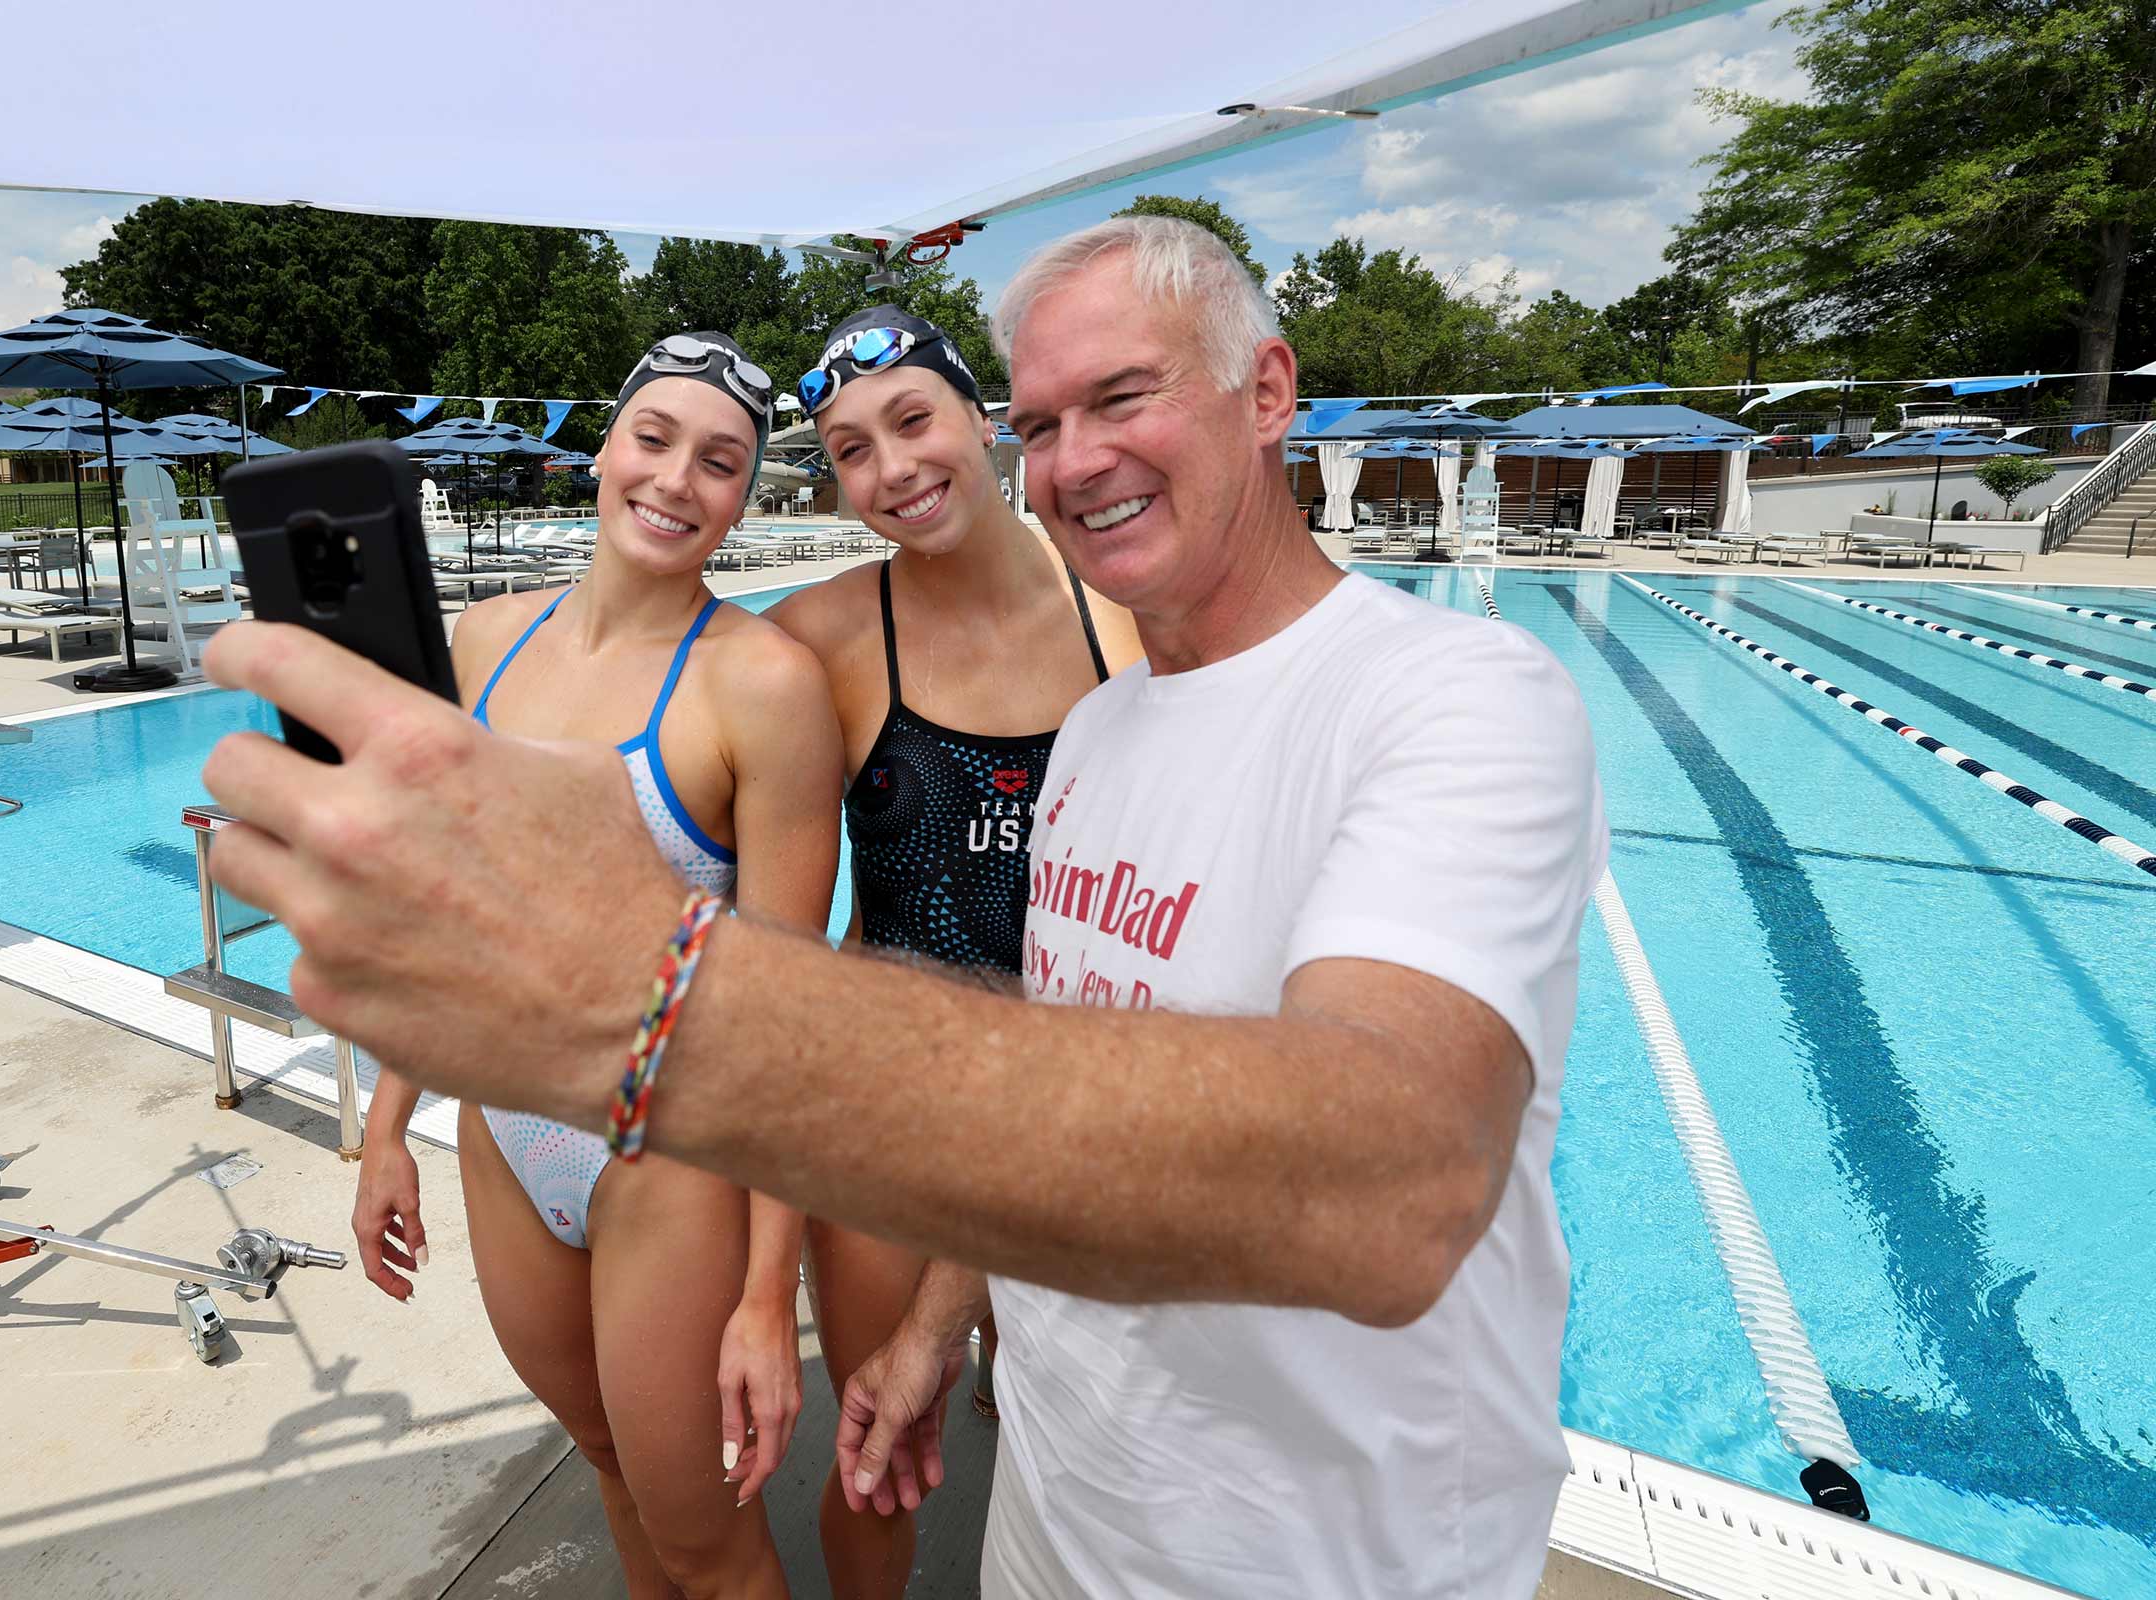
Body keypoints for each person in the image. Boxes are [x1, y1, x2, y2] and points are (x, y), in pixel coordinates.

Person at [203, 216, 1607, 1597]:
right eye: (1051, 419)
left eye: (1121, 398)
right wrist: (944, 1311)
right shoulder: (1088, 736)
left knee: (733, 1511)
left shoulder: (1441, 699)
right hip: (1053, 1507)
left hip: (1330, 1541)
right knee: (806, 1469)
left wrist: (651, 1002)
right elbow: (1060, 997)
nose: (1074, 457)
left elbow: (1394, 1178)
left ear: (1267, 393)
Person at [346, 332, 843, 1599]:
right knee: (610, 1461)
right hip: (501, 1130)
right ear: (607, 445)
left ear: (747, 494)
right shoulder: (485, 641)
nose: (679, 481)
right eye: (656, 439)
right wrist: (389, 1124)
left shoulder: (764, 684)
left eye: (722, 463)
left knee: (710, 1540)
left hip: (662, 1156)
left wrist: (762, 1302)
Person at [763, 306, 1140, 1598]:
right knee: (872, 1452)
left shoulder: (1125, 617)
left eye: (913, 421)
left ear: (981, 417)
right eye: (850, 450)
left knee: (1077, 1443)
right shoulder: (820, 638)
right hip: (892, 1109)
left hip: (1078, 1108)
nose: (892, 470)